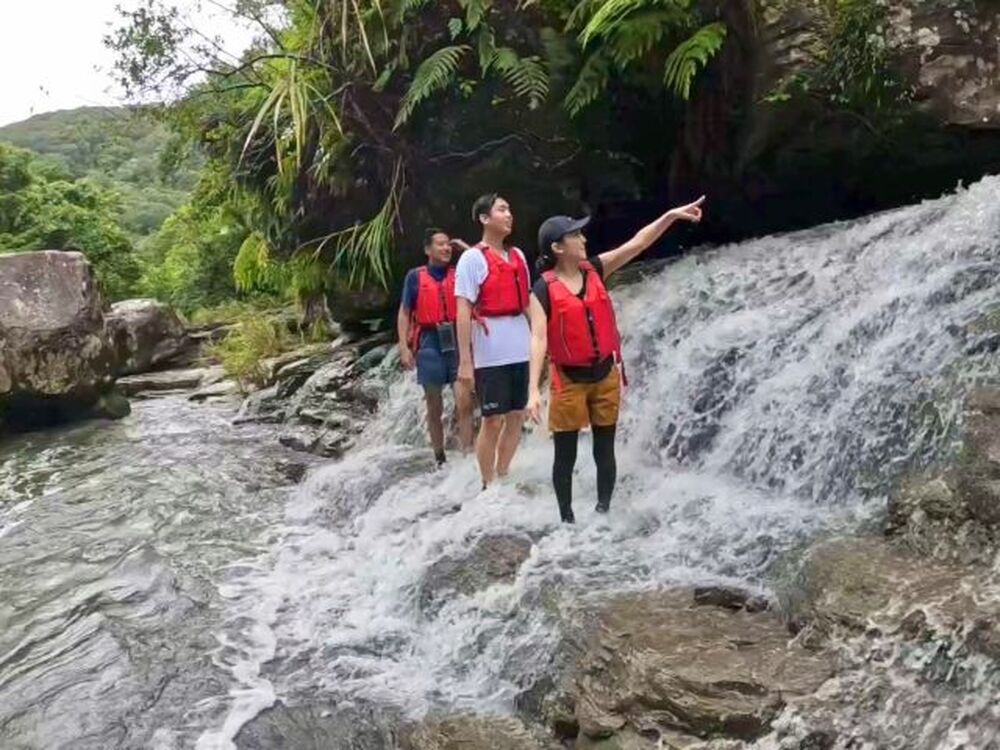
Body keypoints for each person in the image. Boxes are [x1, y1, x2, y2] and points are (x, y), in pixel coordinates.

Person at [526, 197, 706, 522]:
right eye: (575, 235)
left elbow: (638, 243)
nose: (583, 239)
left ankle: (603, 512)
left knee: (604, 449)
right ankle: (567, 519)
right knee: (565, 456)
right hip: (568, 380)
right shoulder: (541, 291)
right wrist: (532, 392)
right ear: (557, 248)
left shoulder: (595, 268)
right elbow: (538, 339)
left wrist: (669, 215)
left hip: (605, 373)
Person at [455, 193, 532, 488]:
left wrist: (543, 341)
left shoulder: (518, 256)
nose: (509, 214)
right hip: (490, 350)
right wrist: (465, 360)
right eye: (502, 209)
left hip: (520, 345)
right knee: (493, 419)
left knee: (517, 415)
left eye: (509, 209)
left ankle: (503, 472)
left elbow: (527, 303)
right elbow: (463, 309)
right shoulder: (472, 259)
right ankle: (487, 483)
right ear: (485, 218)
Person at [398, 228, 474, 465]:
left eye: (448, 244)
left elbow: (486, 270)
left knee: (464, 401)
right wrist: (404, 347)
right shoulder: (415, 277)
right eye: (440, 244)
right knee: (434, 404)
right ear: (427, 250)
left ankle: (468, 455)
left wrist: (466, 249)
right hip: (430, 342)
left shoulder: (459, 272)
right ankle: (439, 457)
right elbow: (404, 312)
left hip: (457, 338)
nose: (446, 248)